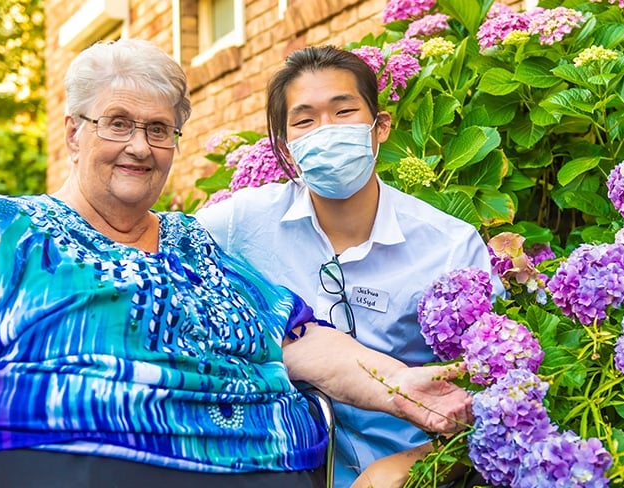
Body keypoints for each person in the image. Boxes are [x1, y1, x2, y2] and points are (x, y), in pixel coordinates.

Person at [0, 38, 331, 488]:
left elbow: (296, 338)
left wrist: (398, 383)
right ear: (74, 133)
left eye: (159, 129)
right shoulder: (6, 228)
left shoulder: (196, 244)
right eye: (118, 122)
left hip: (260, 459)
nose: (140, 146)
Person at [196, 45, 503, 487]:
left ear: (380, 127)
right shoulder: (241, 224)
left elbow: (492, 399)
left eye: (344, 112)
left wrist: (405, 469)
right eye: (305, 120)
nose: (326, 131)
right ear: (285, 145)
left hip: (416, 474)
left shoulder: (450, 246)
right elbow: (152, 249)